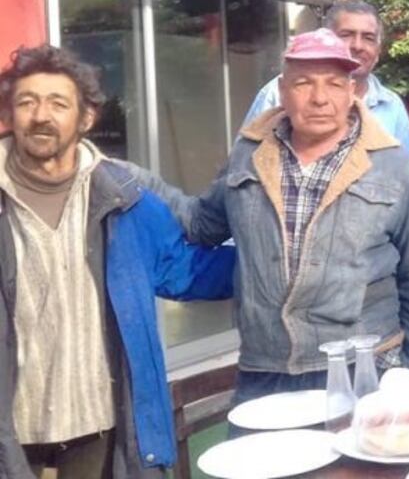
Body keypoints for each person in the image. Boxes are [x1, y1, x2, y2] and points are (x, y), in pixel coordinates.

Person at [161, 28, 409, 406]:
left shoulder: (395, 168)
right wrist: (136, 183)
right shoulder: (249, 155)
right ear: (282, 90)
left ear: (351, 91)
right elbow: (201, 225)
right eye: (303, 83)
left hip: (365, 368)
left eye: (334, 84)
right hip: (265, 370)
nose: (320, 98)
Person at [0, 45, 235, 478]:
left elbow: (183, 269)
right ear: (8, 114)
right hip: (12, 432)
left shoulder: (123, 200)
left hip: (99, 429)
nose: (41, 115)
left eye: (58, 103)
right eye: (27, 102)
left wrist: (273, 263)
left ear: (86, 118)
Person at [241, 0, 409, 158]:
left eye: (368, 38)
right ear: (325, 40)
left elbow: (407, 174)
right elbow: (244, 165)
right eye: (346, 35)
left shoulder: (392, 106)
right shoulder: (276, 93)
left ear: (378, 51)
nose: (357, 46)